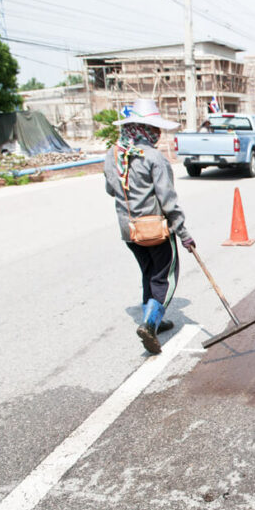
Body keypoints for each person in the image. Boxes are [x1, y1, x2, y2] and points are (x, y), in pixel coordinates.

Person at [103, 99, 195, 355]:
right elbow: (168, 200)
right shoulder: (154, 158)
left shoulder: (113, 155)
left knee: (148, 272)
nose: (157, 134)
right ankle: (150, 323)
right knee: (165, 275)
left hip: (129, 231)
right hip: (154, 229)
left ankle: (154, 319)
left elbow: (111, 189)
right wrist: (184, 234)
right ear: (146, 129)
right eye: (155, 129)